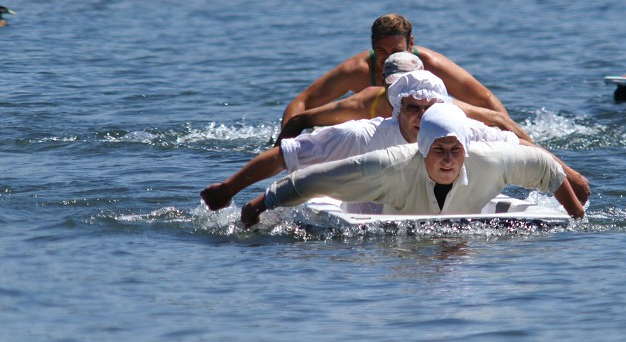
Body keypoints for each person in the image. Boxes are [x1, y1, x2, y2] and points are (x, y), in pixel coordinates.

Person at [202, 71, 590, 211]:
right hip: (371, 220)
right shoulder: (363, 135)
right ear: (396, 110)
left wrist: (571, 176)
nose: (421, 118)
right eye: (412, 109)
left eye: (429, 109)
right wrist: (229, 189)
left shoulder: (463, 133)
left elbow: (522, 149)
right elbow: (287, 156)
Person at [241, 103, 585, 227]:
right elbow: (311, 181)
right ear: (422, 150)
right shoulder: (389, 166)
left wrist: (576, 219)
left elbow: (547, 169)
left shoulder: (492, 158)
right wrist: (258, 205)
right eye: (438, 150)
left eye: (455, 149)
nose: (448, 159)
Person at [280, 13, 508, 131]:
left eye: (396, 50)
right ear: (371, 45)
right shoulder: (357, 70)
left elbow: (484, 99)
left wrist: (509, 139)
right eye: (380, 50)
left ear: (411, 45)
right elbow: (302, 102)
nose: (388, 57)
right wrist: (282, 147)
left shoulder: (432, 64)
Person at [277, 51, 532, 145]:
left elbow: (499, 118)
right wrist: (283, 158)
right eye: (397, 87)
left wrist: (537, 155)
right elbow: (298, 121)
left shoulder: (442, 107)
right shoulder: (361, 104)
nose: (405, 95)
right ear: (383, 81)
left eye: (412, 87)